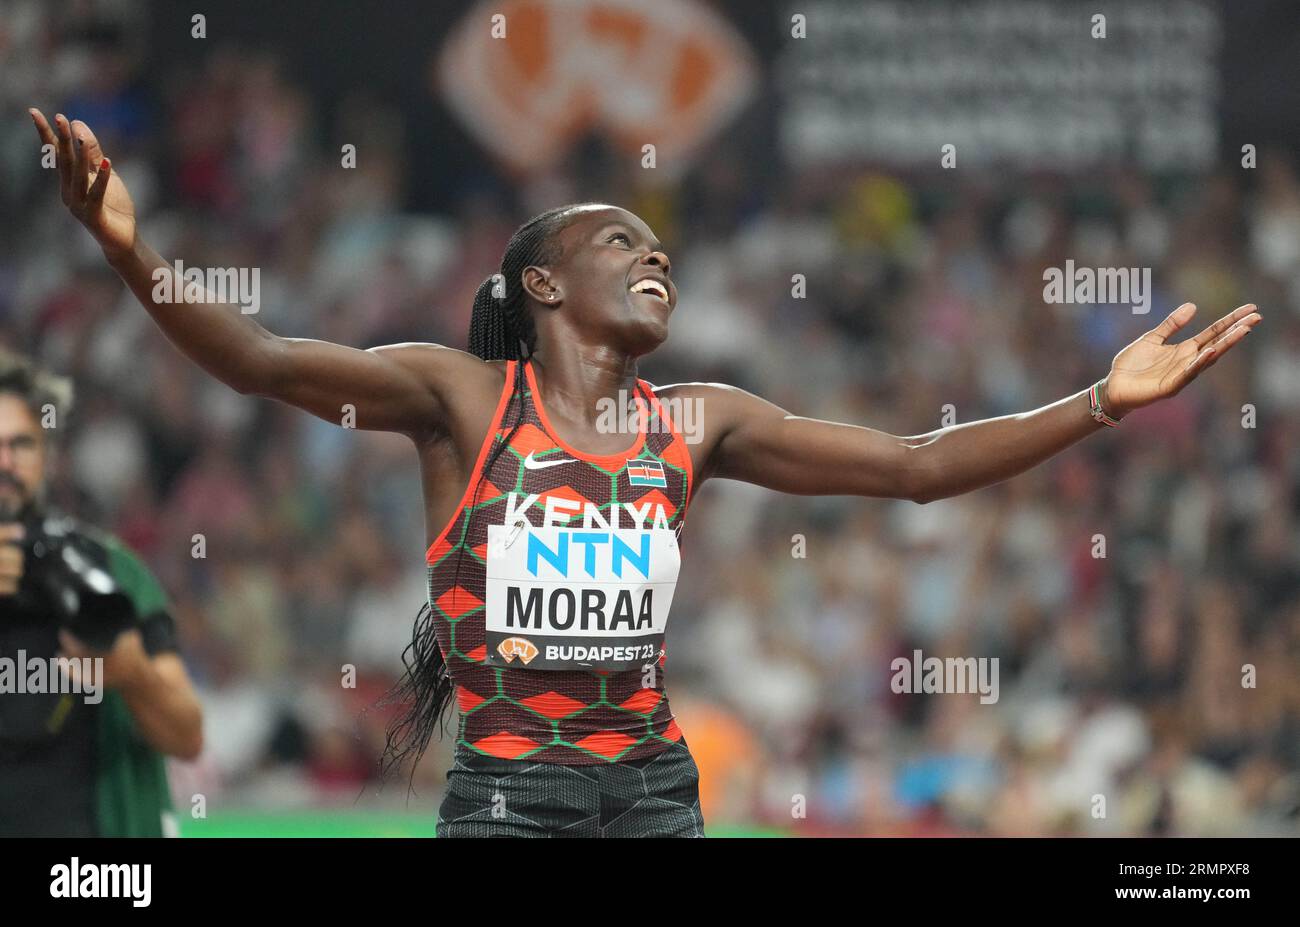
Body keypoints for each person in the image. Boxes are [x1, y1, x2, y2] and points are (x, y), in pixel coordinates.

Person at [27, 109, 1262, 837]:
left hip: (657, 793)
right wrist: (133, 255)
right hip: (514, 800)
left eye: (663, 245)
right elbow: (256, 355)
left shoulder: (697, 423)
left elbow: (916, 466)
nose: (654, 254)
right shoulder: (463, 400)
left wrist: (1102, 399)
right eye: (623, 240)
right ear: (544, 286)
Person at [0, 349, 203, 837]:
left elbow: (186, 736)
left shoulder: (112, 570)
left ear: (48, 455)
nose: (4, 463)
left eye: (21, 444)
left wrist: (133, 673)